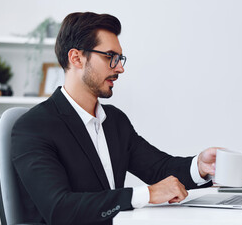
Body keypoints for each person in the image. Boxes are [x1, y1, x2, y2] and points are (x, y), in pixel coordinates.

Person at [12, 12, 219, 225]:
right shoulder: (33, 127)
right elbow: (59, 209)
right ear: (76, 58)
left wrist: (200, 167)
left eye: (119, 58)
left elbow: (158, 168)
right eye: (110, 57)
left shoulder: (115, 121)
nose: (120, 68)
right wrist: (145, 194)